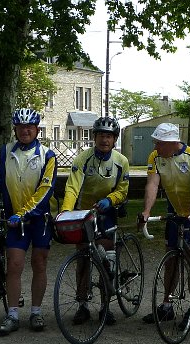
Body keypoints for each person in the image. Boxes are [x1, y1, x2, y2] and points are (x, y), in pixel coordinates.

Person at [0, 108, 57, 335]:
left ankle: (36, 312)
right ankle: (13, 314)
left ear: (37, 129)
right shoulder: (5, 152)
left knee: (39, 263)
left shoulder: (47, 155)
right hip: (14, 220)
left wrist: (24, 213)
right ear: (15, 129)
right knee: (14, 265)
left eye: (30, 127)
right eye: (21, 127)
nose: (25, 131)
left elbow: (45, 190)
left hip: (39, 219)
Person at [60, 116, 130, 326]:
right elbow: (72, 187)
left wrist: (110, 200)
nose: (104, 140)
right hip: (84, 213)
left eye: (108, 136)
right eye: (100, 135)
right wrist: (66, 212)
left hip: (107, 212)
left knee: (106, 260)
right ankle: (82, 305)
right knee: (83, 258)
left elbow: (123, 190)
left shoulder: (121, 161)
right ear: (94, 137)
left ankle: (105, 306)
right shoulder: (83, 159)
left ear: (114, 139)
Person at [139, 123, 190, 329]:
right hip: (174, 211)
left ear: (172, 143)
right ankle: (167, 305)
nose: (155, 147)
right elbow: (152, 184)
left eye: (159, 143)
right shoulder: (155, 157)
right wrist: (146, 211)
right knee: (171, 257)